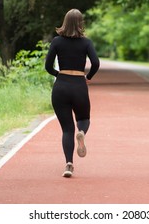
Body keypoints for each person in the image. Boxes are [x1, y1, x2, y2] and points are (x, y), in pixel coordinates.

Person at [45, 9, 100, 178]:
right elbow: (96, 63)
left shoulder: (56, 41)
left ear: (65, 22)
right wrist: (88, 77)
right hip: (78, 85)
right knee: (83, 119)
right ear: (80, 23)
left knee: (67, 129)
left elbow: (48, 66)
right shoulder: (86, 42)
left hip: (61, 86)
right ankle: (82, 132)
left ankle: (69, 164)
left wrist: (59, 75)